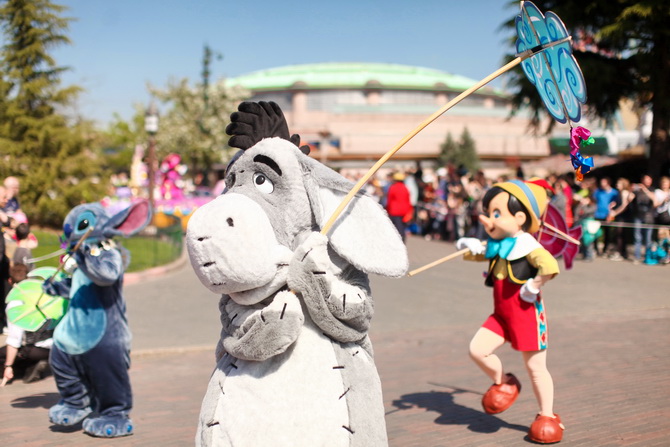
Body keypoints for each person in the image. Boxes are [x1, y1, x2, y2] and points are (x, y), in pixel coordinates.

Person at [456, 179, 564, 444]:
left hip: (527, 315)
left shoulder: (528, 245)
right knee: (477, 349)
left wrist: (535, 284)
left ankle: (547, 415)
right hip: (501, 315)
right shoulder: (499, 243)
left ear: (519, 217)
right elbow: (483, 252)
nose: (489, 219)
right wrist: (469, 247)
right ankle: (504, 381)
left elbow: (549, 265)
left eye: (496, 214)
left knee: (536, 368)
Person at [1, 263, 52, 386]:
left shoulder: (16, 304)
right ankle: (33, 365)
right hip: (53, 345)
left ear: (9, 281)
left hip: (33, 348)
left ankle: (23, 369)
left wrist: (8, 365)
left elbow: (14, 340)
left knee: (5, 354)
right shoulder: (42, 294)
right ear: (28, 279)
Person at [608, 178, 635, 261]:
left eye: (619, 183)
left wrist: (615, 212)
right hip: (620, 217)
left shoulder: (624, 192)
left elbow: (624, 206)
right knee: (620, 235)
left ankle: (621, 253)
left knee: (620, 235)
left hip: (623, 217)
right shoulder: (619, 193)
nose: (617, 185)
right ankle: (622, 252)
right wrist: (614, 204)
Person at [631, 175, 657, 263]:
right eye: (646, 180)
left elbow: (654, 200)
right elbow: (629, 199)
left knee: (648, 238)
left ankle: (647, 257)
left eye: (649, 180)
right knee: (637, 237)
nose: (647, 181)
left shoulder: (652, 189)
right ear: (642, 180)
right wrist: (632, 190)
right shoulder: (637, 190)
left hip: (649, 217)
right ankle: (637, 257)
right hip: (638, 215)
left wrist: (645, 189)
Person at [593, 178, 619, 256]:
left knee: (607, 233)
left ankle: (605, 250)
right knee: (596, 232)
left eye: (604, 182)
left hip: (608, 215)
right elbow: (593, 200)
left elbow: (617, 203)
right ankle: (595, 249)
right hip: (598, 214)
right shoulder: (598, 191)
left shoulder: (614, 193)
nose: (602, 184)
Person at [385, 172, 413, 243]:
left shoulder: (393, 187)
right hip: (404, 211)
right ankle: (402, 242)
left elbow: (389, 200)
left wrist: (388, 210)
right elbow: (408, 200)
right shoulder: (405, 188)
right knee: (402, 228)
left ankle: (398, 243)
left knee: (395, 229)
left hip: (394, 211)